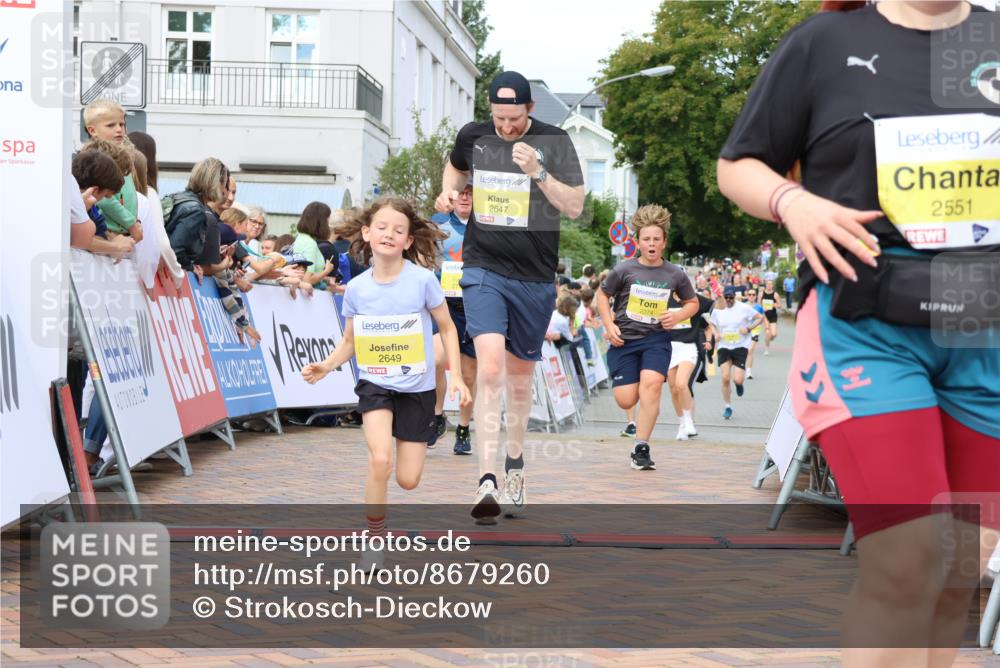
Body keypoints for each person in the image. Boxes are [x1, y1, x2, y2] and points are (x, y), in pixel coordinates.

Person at [717, 1, 999, 665]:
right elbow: (739, 163)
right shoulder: (825, 42)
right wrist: (795, 203)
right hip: (865, 323)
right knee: (907, 561)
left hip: (983, 329)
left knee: (958, 568)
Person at [434, 70, 584, 523]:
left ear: (530, 110)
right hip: (483, 269)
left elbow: (574, 206)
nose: (506, 127)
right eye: (499, 118)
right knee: (491, 367)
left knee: (519, 381)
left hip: (535, 277)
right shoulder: (474, 135)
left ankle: (514, 464)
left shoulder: (555, 140)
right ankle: (485, 480)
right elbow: (455, 169)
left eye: (515, 119)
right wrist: (448, 190)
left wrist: (538, 172)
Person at [302, 197, 471, 569]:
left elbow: (446, 326)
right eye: (381, 227)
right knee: (380, 459)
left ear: (409, 240)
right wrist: (326, 367)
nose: (389, 235)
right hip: (375, 383)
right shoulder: (358, 288)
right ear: (366, 233)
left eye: (398, 230)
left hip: (418, 388)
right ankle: (374, 538)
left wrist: (455, 374)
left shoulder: (424, 281)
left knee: (408, 480)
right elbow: (349, 341)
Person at [596, 204, 698, 470]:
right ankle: (636, 398)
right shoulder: (623, 270)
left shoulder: (675, 274)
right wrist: (609, 325)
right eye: (646, 239)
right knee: (626, 399)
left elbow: (692, 303)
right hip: (624, 341)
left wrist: (676, 316)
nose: (651, 244)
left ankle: (641, 447)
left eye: (656, 239)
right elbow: (602, 296)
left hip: (656, 339)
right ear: (638, 242)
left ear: (664, 242)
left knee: (652, 386)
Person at [430, 178, 478, 455]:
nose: (465, 197)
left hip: (474, 305)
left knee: (469, 375)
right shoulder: (438, 222)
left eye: (471, 193)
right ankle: (437, 415)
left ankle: (463, 427)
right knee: (436, 359)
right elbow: (425, 256)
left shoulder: (486, 226)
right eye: (461, 192)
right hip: (443, 303)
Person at [83, 99, 142, 243]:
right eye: (111, 125)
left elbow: (128, 197)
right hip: (106, 233)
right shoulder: (94, 158)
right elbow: (102, 198)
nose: (119, 129)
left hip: (124, 234)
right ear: (92, 130)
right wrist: (131, 223)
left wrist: (135, 221)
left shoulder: (121, 156)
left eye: (122, 124)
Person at [666, 289, 717, 440]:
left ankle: (689, 420)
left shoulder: (693, 299)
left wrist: (719, 295)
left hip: (688, 347)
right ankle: (681, 423)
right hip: (669, 348)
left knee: (682, 384)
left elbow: (716, 307)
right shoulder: (663, 298)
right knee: (674, 389)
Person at [710, 285, 763, 420]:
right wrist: (716, 334)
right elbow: (711, 323)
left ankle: (739, 384)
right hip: (724, 346)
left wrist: (749, 328)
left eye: (731, 297)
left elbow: (760, 317)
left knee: (737, 379)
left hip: (740, 346)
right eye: (726, 297)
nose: (728, 300)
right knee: (725, 377)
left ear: (735, 296)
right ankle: (728, 406)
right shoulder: (719, 308)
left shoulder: (743, 308)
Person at [292, 201, 338, 292]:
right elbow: (307, 280)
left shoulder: (301, 238)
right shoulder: (310, 244)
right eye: (327, 219)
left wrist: (324, 279)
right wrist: (326, 271)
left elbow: (302, 274)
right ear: (321, 221)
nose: (328, 224)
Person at [756, 278, 780, 355]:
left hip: (773, 315)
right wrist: (762, 308)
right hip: (764, 315)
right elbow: (758, 305)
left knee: (773, 334)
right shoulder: (761, 294)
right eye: (768, 284)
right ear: (765, 285)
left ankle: (768, 339)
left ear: (772, 286)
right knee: (767, 332)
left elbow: (779, 305)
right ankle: (766, 349)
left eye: (770, 284)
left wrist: (773, 305)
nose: (769, 285)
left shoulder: (775, 294)